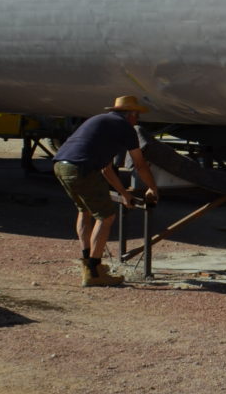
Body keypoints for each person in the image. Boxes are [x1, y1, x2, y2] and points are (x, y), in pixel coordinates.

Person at [52, 95, 160, 286]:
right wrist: (152, 188)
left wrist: (125, 194)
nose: (138, 120)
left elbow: (106, 169)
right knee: (106, 217)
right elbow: (140, 164)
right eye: (137, 116)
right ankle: (94, 272)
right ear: (131, 115)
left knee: (84, 210)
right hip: (82, 168)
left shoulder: (100, 121)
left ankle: (88, 264)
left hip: (61, 165)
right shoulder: (126, 128)